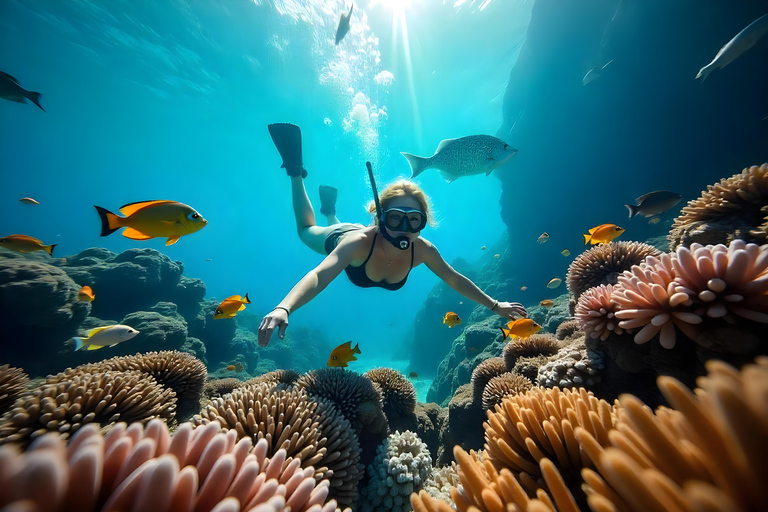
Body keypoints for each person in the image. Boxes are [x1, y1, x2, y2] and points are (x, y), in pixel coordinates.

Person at [258, 123, 527, 347]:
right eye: (396, 218)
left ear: (423, 223)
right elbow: (318, 275)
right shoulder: (356, 244)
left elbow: (454, 279)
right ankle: (296, 173)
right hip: (342, 235)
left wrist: (494, 305)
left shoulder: (422, 250)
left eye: (414, 221)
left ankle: (330, 209)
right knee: (306, 231)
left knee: (318, 226)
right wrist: (285, 307)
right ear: (381, 217)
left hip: (362, 237)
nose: (404, 230)